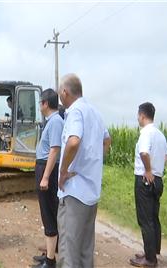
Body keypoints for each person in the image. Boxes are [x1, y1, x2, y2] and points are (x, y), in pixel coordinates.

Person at [56, 73, 111, 268]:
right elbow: (106, 141)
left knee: (68, 251)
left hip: (74, 192)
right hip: (91, 192)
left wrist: (63, 172)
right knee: (86, 250)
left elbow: (73, 142)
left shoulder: (75, 111)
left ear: (65, 91)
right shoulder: (95, 112)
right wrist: (92, 163)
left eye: (59, 93)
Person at [129, 102, 167, 267]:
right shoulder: (159, 133)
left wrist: (148, 170)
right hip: (157, 180)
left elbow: (144, 152)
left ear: (142, 115)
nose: (138, 118)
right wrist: (157, 168)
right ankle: (152, 252)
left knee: (145, 219)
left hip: (145, 179)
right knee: (153, 217)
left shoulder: (146, 132)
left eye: (138, 115)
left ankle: (150, 259)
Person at [32, 89, 64, 268]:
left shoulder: (56, 122)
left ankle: (51, 261)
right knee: (47, 212)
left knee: (49, 213)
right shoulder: (51, 121)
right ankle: (49, 255)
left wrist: (45, 177)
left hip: (47, 170)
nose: (39, 106)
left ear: (45, 103)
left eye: (40, 103)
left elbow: (54, 149)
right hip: (43, 167)